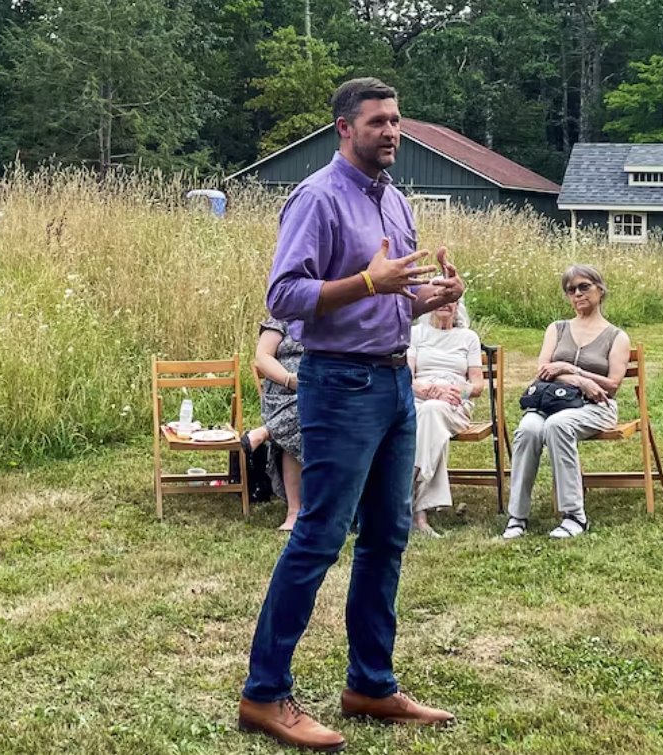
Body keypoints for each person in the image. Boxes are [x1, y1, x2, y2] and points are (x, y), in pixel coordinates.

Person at [238, 78, 464, 752]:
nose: (391, 132)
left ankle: (370, 681)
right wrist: (368, 280)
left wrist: (430, 298)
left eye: (397, 121)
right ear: (344, 128)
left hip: (397, 381)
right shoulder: (317, 197)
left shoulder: (395, 201)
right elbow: (287, 294)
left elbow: (389, 300)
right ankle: (263, 693)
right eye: (377, 122)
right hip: (339, 386)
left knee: (388, 535)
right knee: (317, 537)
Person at [501, 264, 631, 539]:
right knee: (528, 429)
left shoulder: (616, 336)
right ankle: (517, 516)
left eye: (584, 287)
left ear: (600, 289)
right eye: (571, 290)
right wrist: (577, 379)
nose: (578, 294)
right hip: (551, 401)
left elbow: (612, 385)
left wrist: (572, 370)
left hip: (596, 407)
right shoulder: (557, 329)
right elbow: (543, 371)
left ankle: (574, 515)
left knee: (558, 426)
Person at [408, 299, 484, 537]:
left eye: (452, 300)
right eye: (440, 299)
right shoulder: (416, 334)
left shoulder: (468, 337)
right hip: (419, 399)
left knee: (432, 412)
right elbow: (405, 376)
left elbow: (478, 385)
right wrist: (422, 387)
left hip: (454, 404)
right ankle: (420, 514)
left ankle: (406, 486)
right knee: (429, 420)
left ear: (458, 306)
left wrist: (456, 390)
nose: (445, 304)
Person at [241, 318, 304, 531]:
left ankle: (267, 431)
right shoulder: (282, 317)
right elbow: (262, 357)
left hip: (322, 389)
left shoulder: (336, 313)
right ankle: (294, 512)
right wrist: (288, 379)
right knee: (306, 410)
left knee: (312, 402)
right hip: (282, 392)